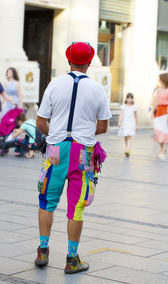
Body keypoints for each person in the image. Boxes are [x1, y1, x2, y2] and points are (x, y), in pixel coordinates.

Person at [35, 42, 111, 274]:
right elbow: (103, 126)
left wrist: (57, 136)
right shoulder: (98, 89)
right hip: (83, 152)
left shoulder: (54, 84)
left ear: (68, 60)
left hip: (56, 149)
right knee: (76, 207)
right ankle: (71, 258)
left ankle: (43, 251)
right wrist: (84, 135)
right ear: (89, 63)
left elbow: (40, 123)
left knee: (47, 201)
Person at [152, 73, 168, 160]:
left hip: (166, 112)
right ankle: (162, 149)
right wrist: (152, 113)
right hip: (158, 112)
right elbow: (155, 102)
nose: (159, 81)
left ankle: (162, 151)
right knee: (158, 132)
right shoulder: (157, 90)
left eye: (160, 79)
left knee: (165, 132)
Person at [118, 93, 138, 157]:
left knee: (129, 136)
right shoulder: (123, 106)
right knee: (125, 136)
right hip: (125, 123)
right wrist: (119, 122)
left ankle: (127, 150)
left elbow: (136, 116)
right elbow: (121, 115)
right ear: (126, 99)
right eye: (128, 98)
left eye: (131, 98)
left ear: (132, 99)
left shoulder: (134, 107)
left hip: (131, 123)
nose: (129, 99)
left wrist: (137, 125)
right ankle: (127, 149)